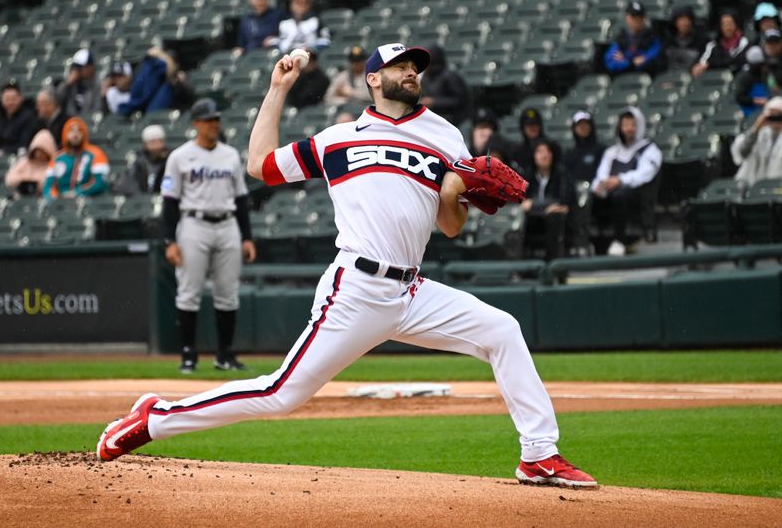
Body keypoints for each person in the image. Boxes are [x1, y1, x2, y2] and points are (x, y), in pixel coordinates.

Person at [96, 43, 598, 491]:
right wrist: (277, 89)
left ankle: (538, 455)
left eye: (415, 67)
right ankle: (154, 418)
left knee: (502, 330)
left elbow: (450, 226)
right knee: (279, 393)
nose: (411, 73)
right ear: (373, 79)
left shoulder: (444, 135)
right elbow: (261, 165)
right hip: (355, 288)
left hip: (412, 291)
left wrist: (451, 191)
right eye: (399, 66)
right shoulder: (340, 137)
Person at [159, 98, 257, 374]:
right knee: (188, 292)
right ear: (196, 124)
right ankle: (188, 354)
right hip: (193, 224)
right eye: (209, 120)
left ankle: (224, 354)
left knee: (228, 293)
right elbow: (169, 202)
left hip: (227, 225)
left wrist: (247, 237)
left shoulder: (230, 155)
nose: (215, 124)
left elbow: (240, 199)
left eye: (217, 119)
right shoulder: (179, 157)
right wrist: (170, 241)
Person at [591, 106, 662, 255]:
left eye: (633, 124)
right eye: (625, 125)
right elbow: (601, 174)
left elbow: (645, 174)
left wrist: (620, 180)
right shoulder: (612, 152)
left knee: (620, 196)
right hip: (610, 193)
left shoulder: (650, 149)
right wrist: (600, 185)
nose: (629, 129)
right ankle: (589, 241)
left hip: (637, 195)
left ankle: (620, 240)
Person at [520, 140, 574, 260]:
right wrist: (544, 207)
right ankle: (521, 264)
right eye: (540, 152)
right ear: (534, 156)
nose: (544, 155)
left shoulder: (561, 173)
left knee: (555, 215)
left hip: (557, 220)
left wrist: (534, 204)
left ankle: (553, 263)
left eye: (547, 151)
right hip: (533, 219)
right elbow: (521, 201)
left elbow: (563, 201)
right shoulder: (527, 175)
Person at [563, 111, 606, 255]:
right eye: (579, 125)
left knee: (583, 195)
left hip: (596, 190)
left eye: (586, 124)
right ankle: (571, 242)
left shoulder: (600, 150)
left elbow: (604, 172)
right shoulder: (569, 152)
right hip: (573, 191)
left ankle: (582, 243)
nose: (583, 128)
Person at [43, 117, 109, 199]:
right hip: (60, 203)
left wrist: (77, 192)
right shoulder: (57, 158)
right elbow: (48, 186)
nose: (75, 134)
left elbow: (99, 183)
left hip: (87, 201)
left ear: (84, 133)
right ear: (65, 133)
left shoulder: (96, 154)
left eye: (79, 130)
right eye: (71, 130)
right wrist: (54, 198)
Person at [118, 47, 194, 116]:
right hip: (144, 113)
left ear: (177, 65)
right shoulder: (151, 71)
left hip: (171, 114)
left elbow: (189, 94)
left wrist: (178, 81)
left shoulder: (181, 78)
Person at [730, 95, 782, 185]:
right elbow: (741, 153)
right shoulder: (756, 134)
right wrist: (757, 128)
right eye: (771, 115)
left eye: (779, 115)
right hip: (750, 186)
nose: (775, 119)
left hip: (778, 189)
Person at [604, 1, 664, 76]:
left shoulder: (651, 37)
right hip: (623, 79)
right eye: (633, 17)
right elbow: (611, 63)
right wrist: (631, 62)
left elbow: (652, 60)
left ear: (644, 18)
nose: (637, 20)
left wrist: (625, 60)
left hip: (646, 78)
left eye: (640, 17)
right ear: (627, 18)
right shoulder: (621, 38)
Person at [110, 124, 169, 196]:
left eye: (158, 141)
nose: (155, 145)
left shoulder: (171, 159)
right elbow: (124, 185)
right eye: (152, 142)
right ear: (144, 144)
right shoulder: (138, 161)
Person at [0, 80, 37, 155]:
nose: (10, 102)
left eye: (13, 99)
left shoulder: (28, 117)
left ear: (21, 99)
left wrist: (2, 152)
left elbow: (24, 144)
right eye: (7, 99)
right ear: (1, 99)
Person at [419, 44, 469, 126]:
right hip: (431, 120)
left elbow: (460, 101)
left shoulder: (450, 76)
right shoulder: (425, 77)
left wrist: (434, 102)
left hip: (451, 121)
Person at [691, 8, 750, 77]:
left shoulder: (744, 42)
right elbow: (702, 62)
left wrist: (712, 64)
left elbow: (736, 61)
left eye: (730, 23)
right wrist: (699, 67)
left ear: (736, 24)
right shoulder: (713, 45)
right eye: (724, 24)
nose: (727, 27)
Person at [735, 32, 782, 117]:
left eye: (760, 64)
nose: (759, 67)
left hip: (769, 110)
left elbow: (774, 88)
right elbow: (739, 97)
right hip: (751, 111)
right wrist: (757, 101)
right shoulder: (746, 76)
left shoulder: (768, 72)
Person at [4, 129, 56, 196]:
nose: (39, 154)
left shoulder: (53, 166)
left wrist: (36, 184)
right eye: (37, 150)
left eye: (43, 151)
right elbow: (9, 179)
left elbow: (51, 183)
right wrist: (23, 183)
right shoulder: (24, 162)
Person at [55, 49, 102, 117]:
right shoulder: (72, 84)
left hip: (89, 121)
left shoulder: (98, 84)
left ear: (90, 67)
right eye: (76, 67)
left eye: (81, 67)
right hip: (71, 122)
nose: (78, 70)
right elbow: (57, 100)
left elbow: (97, 109)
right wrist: (67, 84)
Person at [663, 5, 708, 73]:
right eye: (681, 20)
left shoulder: (702, 41)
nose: (684, 23)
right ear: (675, 22)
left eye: (687, 19)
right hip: (671, 78)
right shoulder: (668, 42)